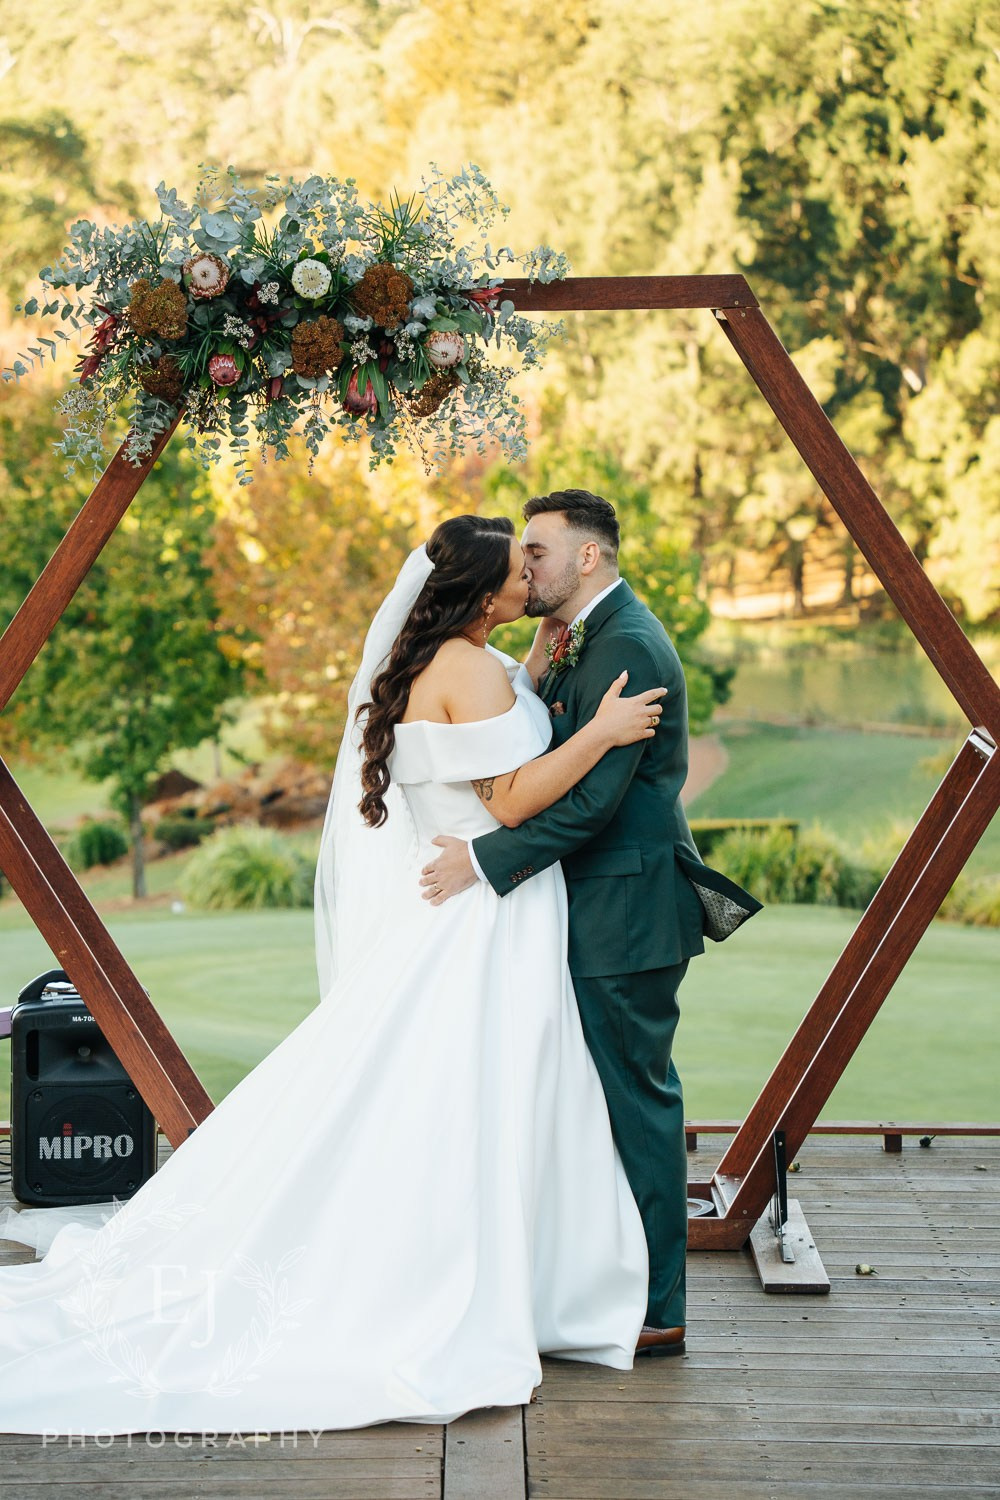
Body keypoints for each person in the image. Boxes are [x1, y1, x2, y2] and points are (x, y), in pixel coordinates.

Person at [0, 514, 670, 1435]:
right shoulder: (468, 670)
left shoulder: (464, 660)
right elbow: (511, 799)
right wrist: (599, 731)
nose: (531, 575)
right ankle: (471, 1283)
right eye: (518, 568)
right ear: (484, 596)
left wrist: (542, 668)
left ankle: (510, 1276)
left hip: (480, 904)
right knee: (482, 1093)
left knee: (469, 1092)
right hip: (482, 919)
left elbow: (501, 735)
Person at [420, 491, 761, 1357]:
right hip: (586, 906)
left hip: (625, 911)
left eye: (536, 551)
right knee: (587, 1103)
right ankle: (589, 1283)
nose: (524, 565)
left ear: (588, 557)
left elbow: (595, 806)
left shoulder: (629, 644)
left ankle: (659, 1308)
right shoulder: (573, 636)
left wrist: (483, 861)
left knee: (637, 1105)